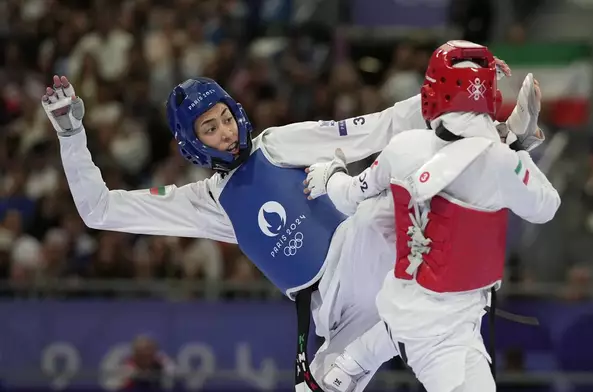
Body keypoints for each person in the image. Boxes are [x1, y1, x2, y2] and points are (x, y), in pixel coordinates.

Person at [41, 57, 511, 392]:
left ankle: (498, 143)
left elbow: (380, 127)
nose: (226, 131)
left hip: (372, 249)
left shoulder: (279, 145)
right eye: (210, 128)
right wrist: (70, 135)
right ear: (192, 144)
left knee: (398, 179)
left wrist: (460, 83)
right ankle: (397, 331)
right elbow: (98, 210)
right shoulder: (205, 202)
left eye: (226, 118)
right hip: (338, 314)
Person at [303, 40, 560, 392]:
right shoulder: (500, 161)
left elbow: (350, 195)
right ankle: (349, 363)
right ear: (490, 96)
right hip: (437, 333)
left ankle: (348, 364)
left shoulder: (404, 147)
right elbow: (547, 206)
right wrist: (515, 146)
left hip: (415, 308)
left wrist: (329, 175)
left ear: (433, 92)